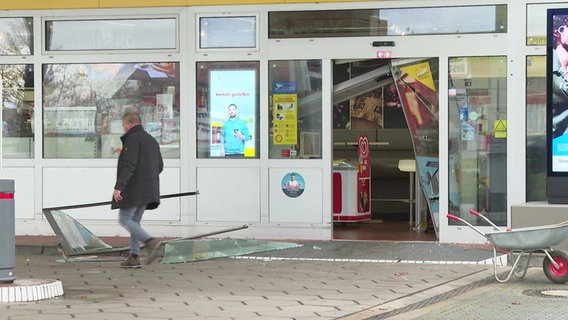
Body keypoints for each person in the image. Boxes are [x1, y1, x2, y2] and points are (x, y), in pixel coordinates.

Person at [111, 110, 164, 268]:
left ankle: (150, 241)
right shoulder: (151, 140)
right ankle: (134, 256)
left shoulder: (132, 140)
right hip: (149, 189)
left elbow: (129, 165)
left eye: (123, 125)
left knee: (125, 219)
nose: (123, 128)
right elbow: (159, 166)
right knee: (134, 221)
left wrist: (119, 187)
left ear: (129, 123)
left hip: (135, 189)